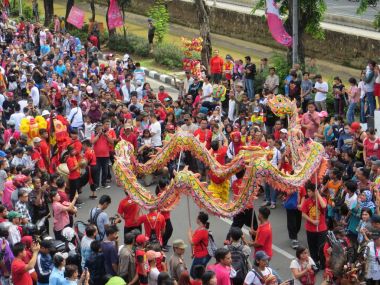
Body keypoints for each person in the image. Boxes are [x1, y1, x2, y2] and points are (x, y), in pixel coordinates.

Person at [301, 180, 327, 269]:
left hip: (321, 229)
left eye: (309, 191)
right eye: (307, 191)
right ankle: (315, 263)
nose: (307, 193)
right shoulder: (307, 201)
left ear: (314, 191)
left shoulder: (322, 199)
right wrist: (312, 221)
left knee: (322, 248)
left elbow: (323, 206)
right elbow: (303, 214)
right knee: (312, 248)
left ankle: (323, 264)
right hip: (310, 228)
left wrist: (318, 194)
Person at [188, 212, 211, 277]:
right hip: (201, 253)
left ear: (199, 220)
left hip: (201, 255)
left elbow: (193, 242)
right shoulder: (201, 228)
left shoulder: (202, 231)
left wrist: (189, 234)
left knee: (194, 274)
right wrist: (194, 253)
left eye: (197, 217)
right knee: (200, 273)